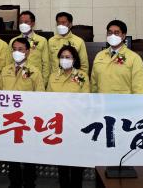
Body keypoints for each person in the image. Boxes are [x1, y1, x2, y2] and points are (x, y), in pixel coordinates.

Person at [0, 37, 44, 188]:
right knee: (12, 156)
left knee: (29, 155)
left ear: (28, 52)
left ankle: (30, 183)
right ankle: (14, 183)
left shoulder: (35, 72)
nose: (16, 52)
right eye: (14, 49)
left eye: (20, 49)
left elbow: (40, 96)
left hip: (27, 120)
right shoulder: (5, 70)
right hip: (9, 119)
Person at [47, 46, 88, 188]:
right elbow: (47, 99)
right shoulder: (53, 76)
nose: (64, 60)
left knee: (77, 163)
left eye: (68, 57)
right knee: (62, 163)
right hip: (58, 124)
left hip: (76, 123)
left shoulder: (82, 76)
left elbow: (85, 99)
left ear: (74, 59)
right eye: (62, 57)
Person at [91, 20, 143, 94]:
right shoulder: (99, 56)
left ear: (123, 36)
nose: (112, 36)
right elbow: (93, 84)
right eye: (110, 33)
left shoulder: (134, 58)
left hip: (124, 101)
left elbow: (139, 88)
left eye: (116, 33)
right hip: (102, 100)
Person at [9, 11, 50, 83]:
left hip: (35, 78)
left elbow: (46, 64)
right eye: (21, 22)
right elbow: (9, 62)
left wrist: (44, 82)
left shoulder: (42, 40)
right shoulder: (13, 41)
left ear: (33, 23)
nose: (23, 24)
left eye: (26, 22)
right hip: (17, 79)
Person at [47, 12, 89, 76]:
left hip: (73, 78)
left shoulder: (79, 41)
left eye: (63, 22)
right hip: (56, 78)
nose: (60, 25)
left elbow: (84, 65)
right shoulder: (51, 41)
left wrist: (81, 79)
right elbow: (48, 64)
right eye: (58, 23)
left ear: (70, 24)